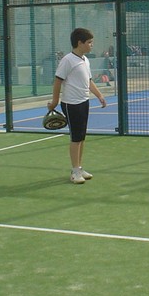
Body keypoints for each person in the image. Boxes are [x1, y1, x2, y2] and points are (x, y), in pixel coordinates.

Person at [47, 28, 107, 184]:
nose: (91, 45)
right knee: (75, 138)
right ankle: (74, 172)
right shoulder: (68, 60)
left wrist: (99, 95)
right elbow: (57, 81)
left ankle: (79, 168)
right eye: (89, 42)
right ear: (80, 43)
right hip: (71, 104)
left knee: (81, 137)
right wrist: (54, 102)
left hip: (83, 102)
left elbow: (89, 81)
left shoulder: (85, 60)